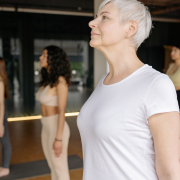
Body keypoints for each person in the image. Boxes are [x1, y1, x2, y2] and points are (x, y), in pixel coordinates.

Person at [77, 0, 180, 180]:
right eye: (96, 17)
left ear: (130, 28)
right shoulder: (103, 82)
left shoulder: (155, 84)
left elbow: (170, 172)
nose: (92, 23)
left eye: (104, 17)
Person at [36, 46, 71, 180]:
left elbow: (62, 111)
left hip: (57, 129)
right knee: (53, 167)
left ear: (53, 59)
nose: (40, 57)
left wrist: (59, 138)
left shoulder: (60, 81)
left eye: (44, 55)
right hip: (46, 128)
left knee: (60, 169)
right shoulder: (47, 80)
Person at [0, 57, 12, 177]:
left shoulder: (0, 82)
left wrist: (1, 125)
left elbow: (1, 104)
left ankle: (5, 167)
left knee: (5, 142)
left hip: (0, 117)